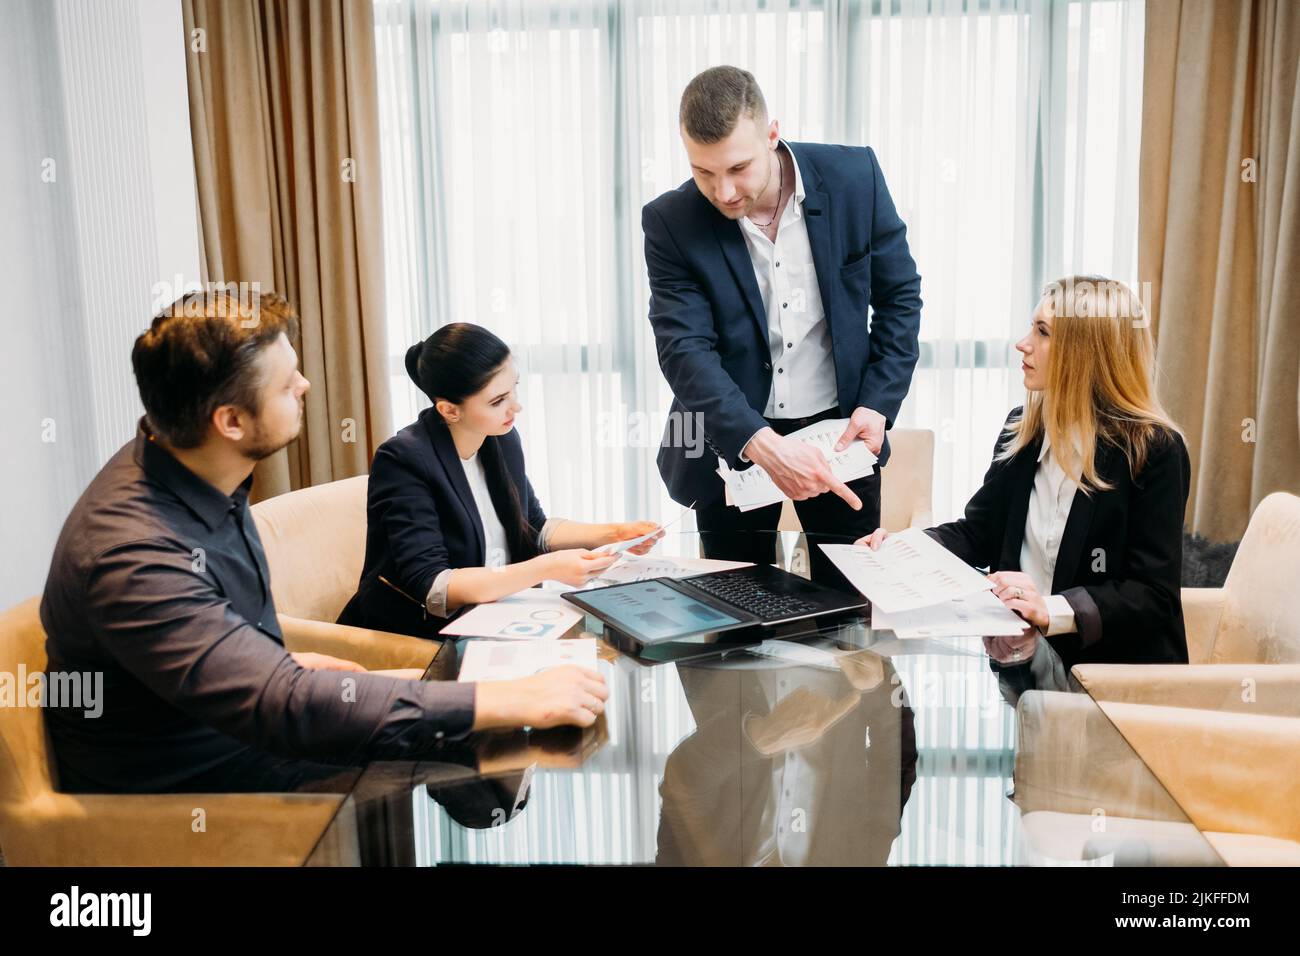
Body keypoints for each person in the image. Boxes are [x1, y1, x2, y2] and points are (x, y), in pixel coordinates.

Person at [40, 291, 607, 795]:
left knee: (495, 739)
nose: (306, 385)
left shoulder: (189, 460)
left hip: (238, 722)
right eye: (287, 383)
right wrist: (512, 697)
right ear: (231, 420)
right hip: (190, 777)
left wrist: (280, 661)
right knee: (480, 752)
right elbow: (281, 707)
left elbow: (220, 649)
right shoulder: (134, 556)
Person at [642, 65, 922, 566]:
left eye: (738, 168)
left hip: (840, 429)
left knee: (848, 607)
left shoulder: (855, 178)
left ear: (773, 134)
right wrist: (763, 446)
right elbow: (684, 351)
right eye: (703, 172)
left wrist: (879, 403)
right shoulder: (671, 222)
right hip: (733, 436)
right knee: (736, 612)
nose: (723, 192)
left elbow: (900, 296)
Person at [856, 276, 1191, 675]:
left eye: (1043, 332)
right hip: (1019, 658)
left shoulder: (1154, 449)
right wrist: (906, 548)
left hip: (1113, 681)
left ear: (1086, 352)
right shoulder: (1023, 428)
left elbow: (1152, 596)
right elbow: (979, 533)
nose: (1023, 343)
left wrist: (1051, 609)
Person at [338, 322, 661, 639]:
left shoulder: (501, 438)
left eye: (514, 388)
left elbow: (533, 526)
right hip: (416, 635)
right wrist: (546, 568)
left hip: (497, 617)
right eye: (498, 401)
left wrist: (612, 533)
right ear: (449, 410)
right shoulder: (404, 459)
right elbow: (434, 587)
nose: (515, 407)